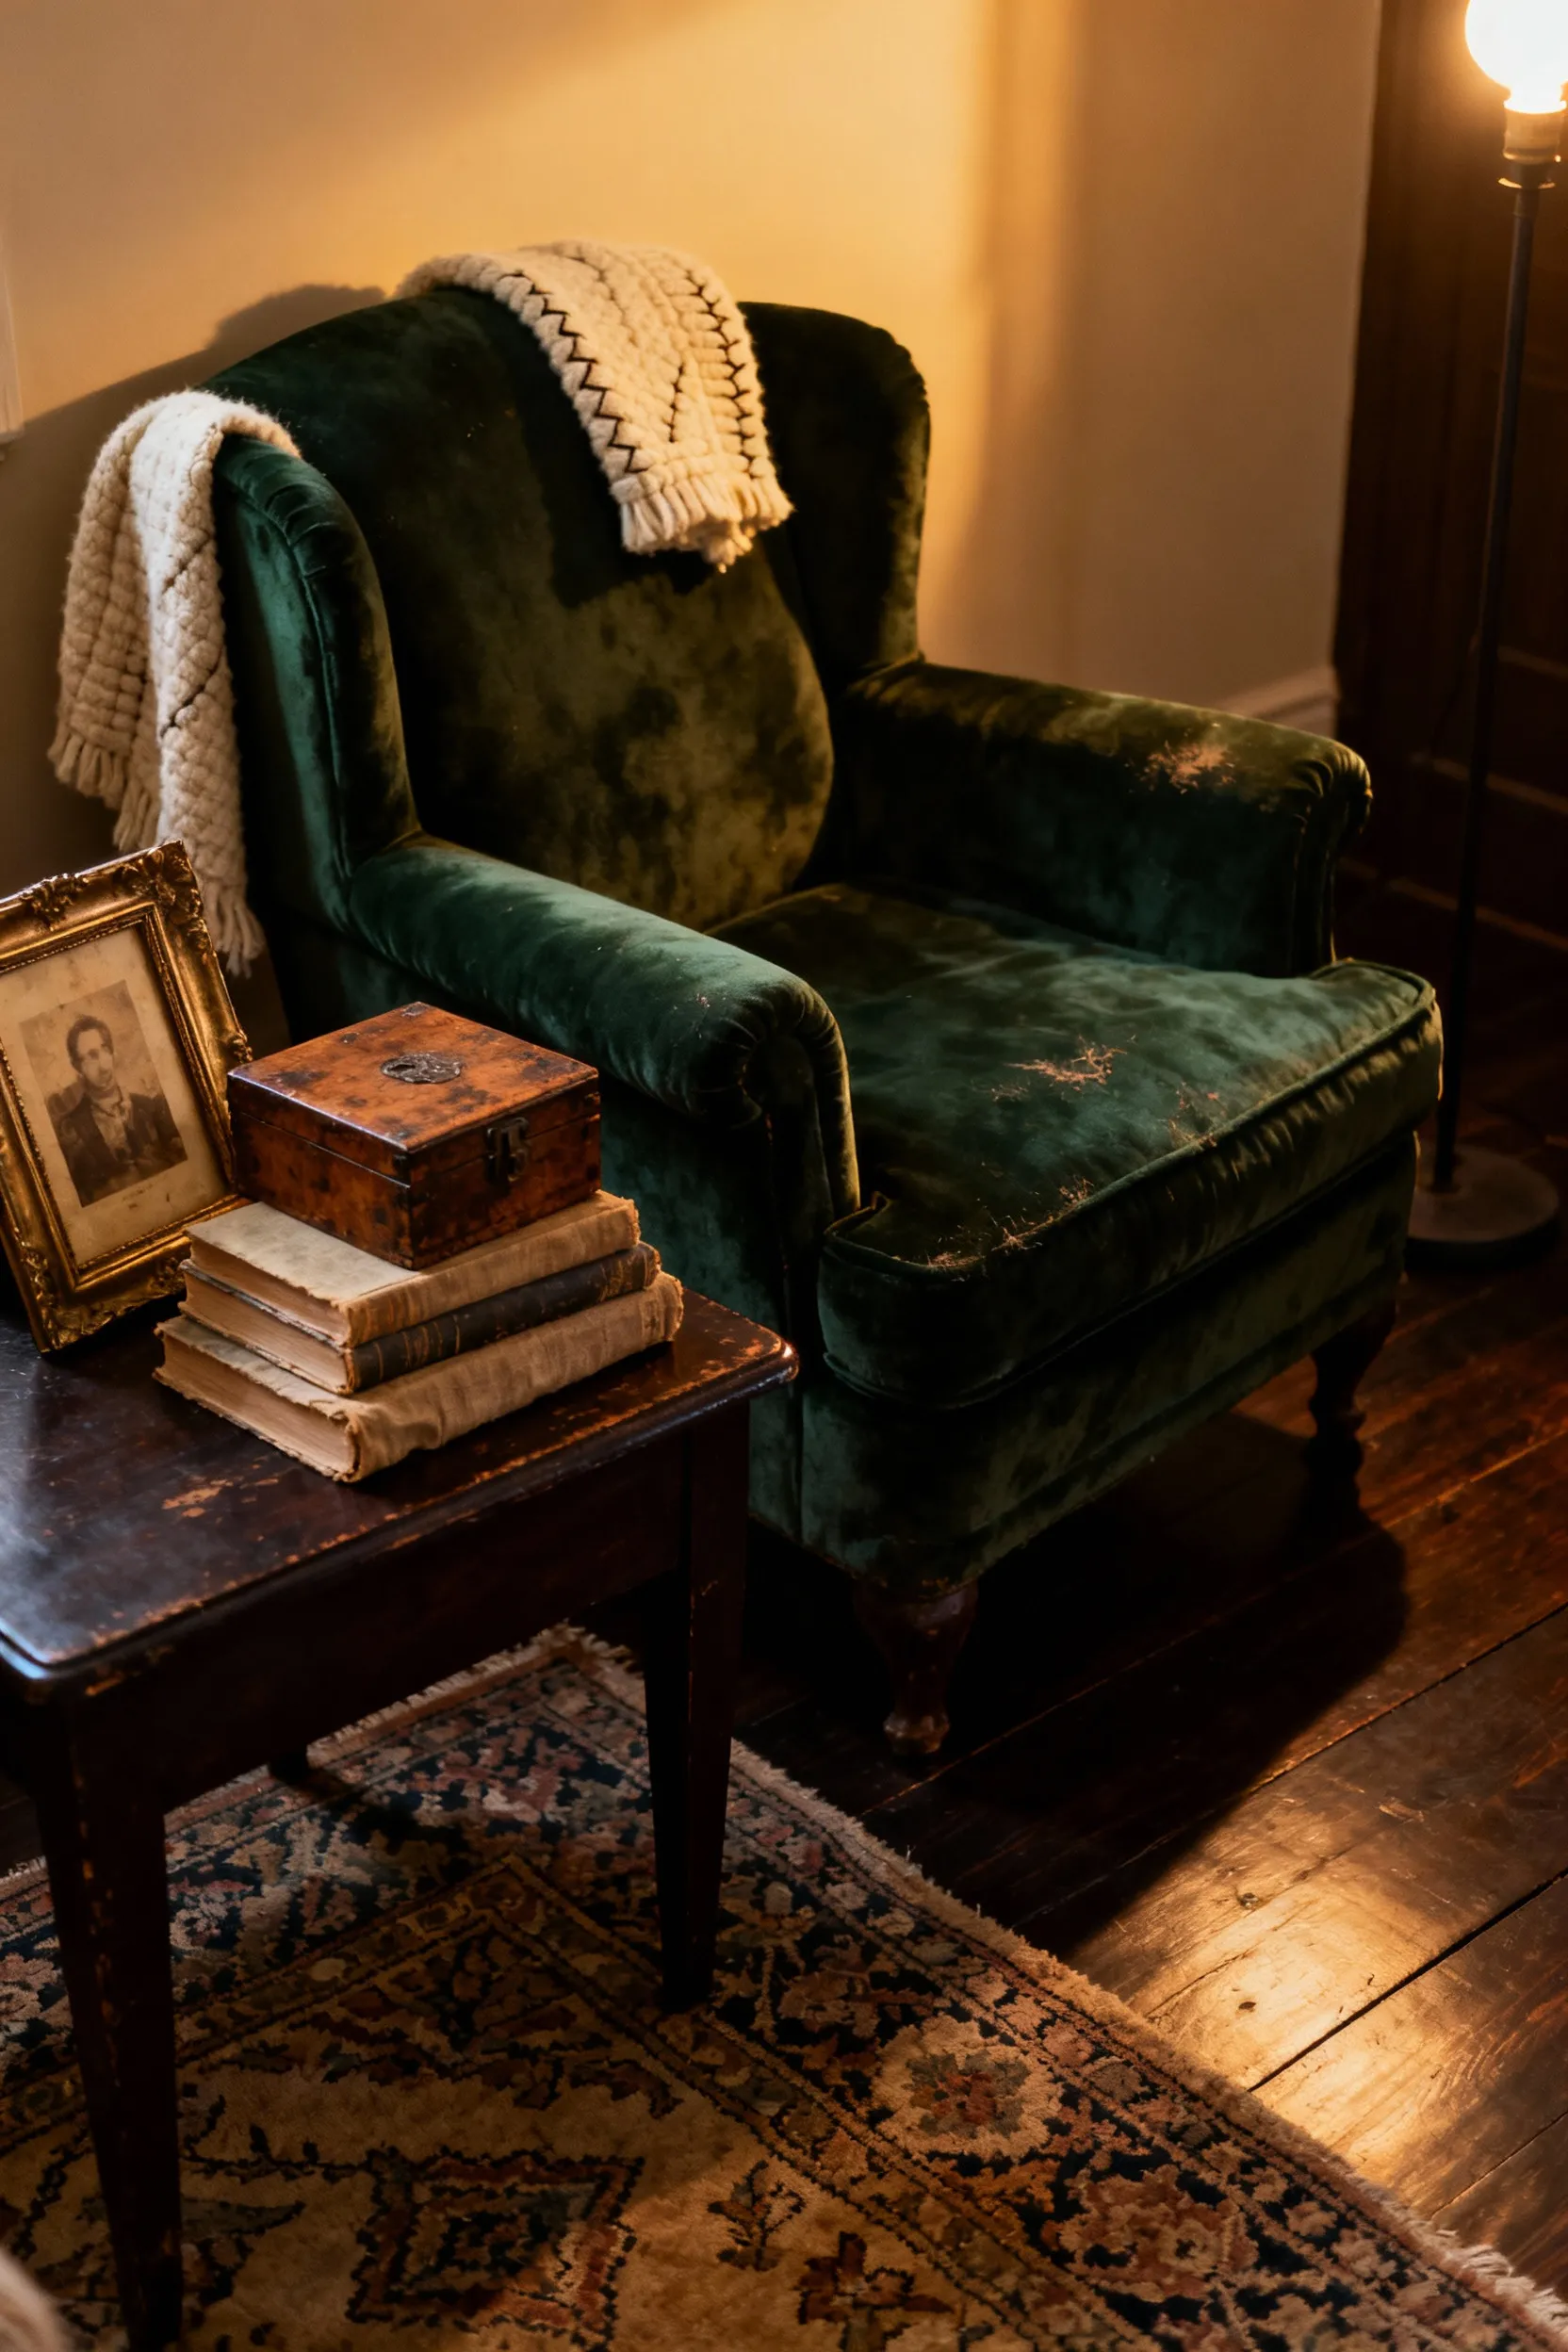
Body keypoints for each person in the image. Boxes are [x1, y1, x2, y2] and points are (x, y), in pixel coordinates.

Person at [51, 1013, 184, 1207]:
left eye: (105, 1050)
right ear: (77, 1066)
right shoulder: (70, 1129)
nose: (104, 1066)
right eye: (91, 1057)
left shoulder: (150, 1107)